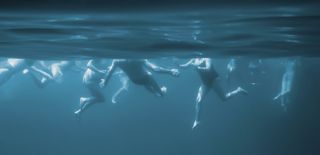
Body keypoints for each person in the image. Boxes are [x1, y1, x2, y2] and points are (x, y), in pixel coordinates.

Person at [180, 58, 248, 129]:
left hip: (213, 80)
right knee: (198, 101)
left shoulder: (207, 58)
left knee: (224, 98)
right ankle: (196, 121)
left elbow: (208, 69)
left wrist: (197, 67)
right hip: (205, 83)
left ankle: (238, 90)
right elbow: (184, 66)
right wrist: (177, 64)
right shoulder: (193, 59)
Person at [100, 59, 180, 97]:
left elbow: (110, 72)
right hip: (145, 78)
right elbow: (155, 69)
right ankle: (160, 93)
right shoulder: (137, 58)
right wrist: (170, 71)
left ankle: (154, 93)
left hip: (135, 81)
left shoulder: (117, 60)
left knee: (146, 81)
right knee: (149, 75)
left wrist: (105, 82)